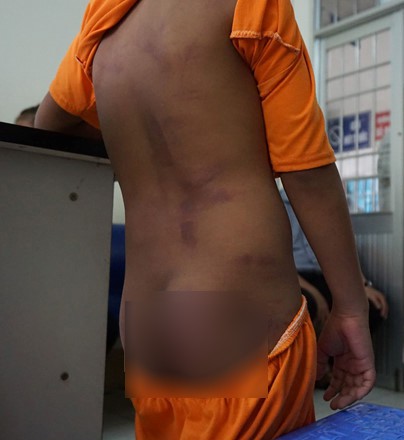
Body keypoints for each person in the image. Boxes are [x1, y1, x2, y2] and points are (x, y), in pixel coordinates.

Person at [34, 0, 376, 438]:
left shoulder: (104, 18)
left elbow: (48, 125)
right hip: (232, 315)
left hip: (147, 323)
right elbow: (307, 171)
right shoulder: (250, 5)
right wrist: (350, 307)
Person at [280, 187, 389, 333]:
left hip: (327, 277)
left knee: (371, 307)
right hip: (294, 279)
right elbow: (278, 265)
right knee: (308, 307)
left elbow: (343, 251)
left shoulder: (327, 203)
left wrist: (362, 285)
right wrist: (315, 294)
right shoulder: (276, 205)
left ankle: (336, 348)